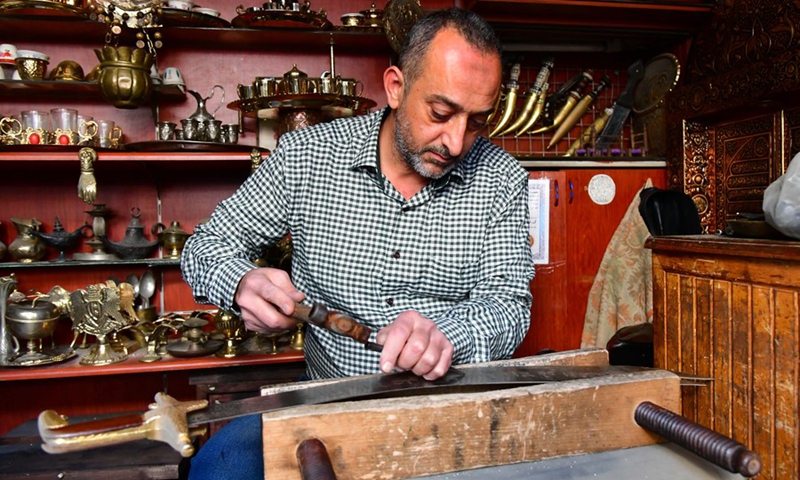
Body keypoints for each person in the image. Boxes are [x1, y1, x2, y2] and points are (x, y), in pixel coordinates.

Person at [180, 8, 535, 479]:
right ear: (395, 87)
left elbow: (510, 305)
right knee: (219, 467)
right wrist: (240, 281)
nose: (455, 143)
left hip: (448, 411)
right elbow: (205, 246)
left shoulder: (502, 179)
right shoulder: (307, 157)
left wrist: (447, 334)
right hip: (326, 401)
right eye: (441, 113)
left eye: (475, 123)